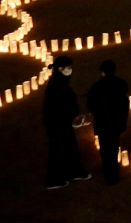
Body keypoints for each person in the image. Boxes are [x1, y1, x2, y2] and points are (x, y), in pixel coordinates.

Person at [43, 55, 89, 189]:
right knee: (58, 150)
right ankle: (54, 180)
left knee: (70, 147)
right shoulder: (57, 85)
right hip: (58, 123)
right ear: (60, 68)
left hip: (63, 122)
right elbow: (58, 106)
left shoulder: (60, 81)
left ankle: (75, 172)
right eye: (68, 68)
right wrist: (70, 119)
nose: (70, 70)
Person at [86, 60, 130, 185]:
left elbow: (90, 104)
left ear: (102, 72)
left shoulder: (97, 86)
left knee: (105, 149)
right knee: (114, 147)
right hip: (117, 122)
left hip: (102, 123)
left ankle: (109, 173)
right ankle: (114, 173)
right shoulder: (121, 83)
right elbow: (124, 101)